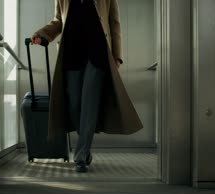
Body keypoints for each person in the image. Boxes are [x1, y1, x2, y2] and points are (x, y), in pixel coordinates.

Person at [32, 0, 143, 173]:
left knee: (89, 104)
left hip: (97, 53)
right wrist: (42, 34)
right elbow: (58, 21)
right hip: (71, 53)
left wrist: (117, 55)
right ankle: (86, 146)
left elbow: (114, 23)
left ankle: (81, 156)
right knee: (75, 104)